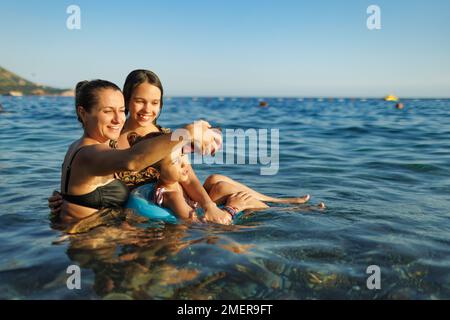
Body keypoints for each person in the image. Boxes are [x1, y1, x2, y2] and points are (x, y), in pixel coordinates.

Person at [49, 70, 311, 225]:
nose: (147, 109)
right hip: (148, 208)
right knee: (222, 189)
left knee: (217, 181)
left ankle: (283, 206)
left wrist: (208, 205)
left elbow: (185, 176)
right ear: (128, 100)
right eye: (139, 101)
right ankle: (272, 212)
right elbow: (126, 163)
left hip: (163, 201)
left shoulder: (161, 136)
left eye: (155, 103)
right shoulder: (108, 142)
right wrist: (69, 197)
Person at [56, 79, 222, 225]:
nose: (118, 119)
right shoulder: (90, 153)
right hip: (91, 246)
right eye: (107, 111)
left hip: (94, 237)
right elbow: (133, 161)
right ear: (83, 113)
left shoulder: (81, 146)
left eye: (121, 110)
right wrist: (188, 132)